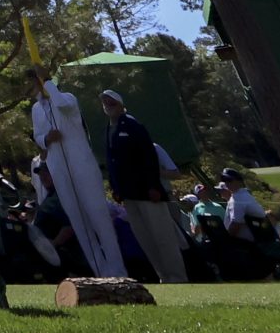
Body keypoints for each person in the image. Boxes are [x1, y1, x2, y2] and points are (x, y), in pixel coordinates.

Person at [26, 65, 123, 278]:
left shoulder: (68, 98)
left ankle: (118, 270)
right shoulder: (36, 109)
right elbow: (38, 135)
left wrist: (48, 81)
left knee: (99, 217)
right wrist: (46, 139)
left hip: (82, 164)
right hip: (58, 166)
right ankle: (100, 272)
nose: (37, 85)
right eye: (36, 82)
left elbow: (60, 104)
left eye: (39, 81)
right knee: (77, 221)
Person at [97, 87, 185, 283]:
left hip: (147, 192)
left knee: (163, 237)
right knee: (146, 239)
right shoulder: (108, 131)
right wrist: (116, 189)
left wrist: (153, 186)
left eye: (112, 102)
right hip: (128, 195)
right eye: (105, 103)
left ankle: (177, 277)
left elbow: (148, 158)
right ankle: (163, 276)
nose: (108, 106)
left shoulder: (133, 126)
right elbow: (112, 164)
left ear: (121, 105)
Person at [218, 167, 269, 243]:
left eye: (229, 180)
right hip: (257, 239)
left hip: (249, 243)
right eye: (224, 180)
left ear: (239, 181)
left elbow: (235, 225)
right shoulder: (244, 195)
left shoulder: (238, 198)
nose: (227, 183)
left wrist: (224, 242)